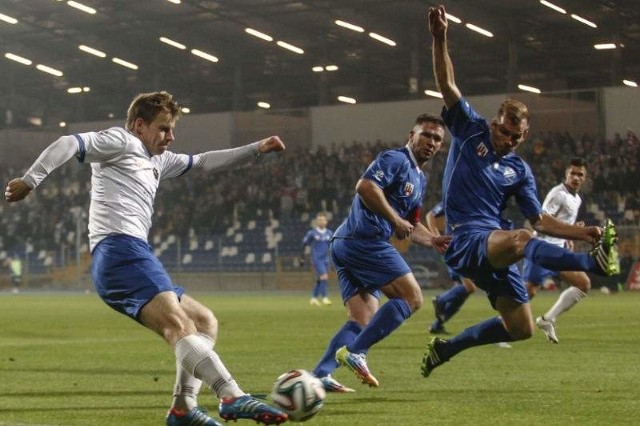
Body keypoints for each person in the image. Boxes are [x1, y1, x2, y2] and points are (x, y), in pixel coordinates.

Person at [5, 91, 288, 426]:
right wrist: (31, 179)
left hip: (133, 252)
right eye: (164, 128)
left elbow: (205, 161)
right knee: (179, 326)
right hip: (119, 251)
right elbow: (69, 142)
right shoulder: (120, 141)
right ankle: (232, 396)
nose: (170, 136)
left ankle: (183, 408)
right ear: (139, 126)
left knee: (203, 322)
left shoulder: (158, 160)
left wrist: (255, 149)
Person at [421, 5, 620, 378]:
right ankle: (591, 265)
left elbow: (540, 219)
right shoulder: (471, 129)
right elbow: (447, 84)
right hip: (467, 237)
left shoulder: (519, 170)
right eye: (504, 132)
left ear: (524, 135)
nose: (509, 140)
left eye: (516, 136)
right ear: (494, 122)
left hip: (495, 248)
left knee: (522, 329)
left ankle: (446, 348)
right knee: (520, 238)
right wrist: (439, 36)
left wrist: (584, 231)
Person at [310, 113, 451, 392]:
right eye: (426, 134)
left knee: (363, 319)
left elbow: (411, 224)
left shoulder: (419, 179)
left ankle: (319, 376)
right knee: (412, 298)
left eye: (437, 139)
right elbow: (365, 187)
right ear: (412, 135)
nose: (432, 142)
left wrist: (431, 240)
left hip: (346, 242)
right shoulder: (396, 159)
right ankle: (356, 352)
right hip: (365, 240)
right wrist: (395, 220)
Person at [426, 202, 513, 348]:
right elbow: (430, 214)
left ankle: (438, 324)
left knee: (466, 290)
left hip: (471, 248)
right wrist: (436, 236)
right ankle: (441, 300)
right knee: (470, 287)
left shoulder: (483, 201)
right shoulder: (454, 197)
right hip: (457, 249)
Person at [523, 157, 591, 343]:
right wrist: (575, 231)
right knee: (527, 293)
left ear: (585, 178)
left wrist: (569, 234)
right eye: (572, 173)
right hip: (543, 249)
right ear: (566, 175)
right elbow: (543, 221)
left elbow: (563, 224)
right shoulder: (558, 194)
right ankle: (500, 327)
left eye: (580, 174)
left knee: (583, 284)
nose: (575, 177)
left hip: (558, 250)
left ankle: (547, 320)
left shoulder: (576, 198)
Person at [301, 212, 333, 306]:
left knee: (320, 279)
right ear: (316, 221)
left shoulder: (330, 233)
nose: (321, 221)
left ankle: (314, 298)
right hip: (317, 259)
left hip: (326, 259)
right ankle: (324, 298)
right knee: (324, 277)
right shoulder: (312, 233)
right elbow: (305, 244)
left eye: (323, 220)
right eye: (319, 220)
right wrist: (302, 257)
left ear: (326, 221)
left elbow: (333, 246)